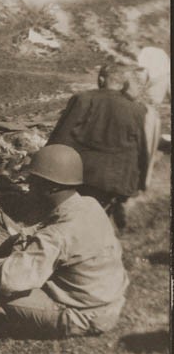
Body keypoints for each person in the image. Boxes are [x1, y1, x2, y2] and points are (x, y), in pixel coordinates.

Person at [0, 145, 129, 341]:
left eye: (34, 181)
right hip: (109, 300)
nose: (29, 187)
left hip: (87, 315)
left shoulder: (57, 235)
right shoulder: (88, 203)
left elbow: (7, 282)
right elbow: (43, 229)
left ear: (51, 186)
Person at [47, 64, 150, 230]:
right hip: (117, 181)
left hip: (83, 177)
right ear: (124, 84)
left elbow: (61, 137)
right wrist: (140, 183)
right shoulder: (137, 109)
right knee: (97, 221)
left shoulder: (84, 99)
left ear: (101, 79)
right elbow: (141, 149)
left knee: (69, 220)